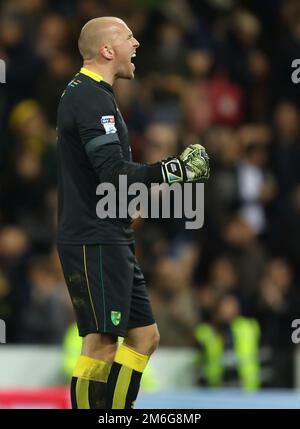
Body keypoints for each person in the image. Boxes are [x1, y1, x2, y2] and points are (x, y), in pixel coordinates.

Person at [56, 16, 210, 409]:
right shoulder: (89, 97)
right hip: (95, 237)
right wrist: (176, 170)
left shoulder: (91, 94)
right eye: (128, 37)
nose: (137, 43)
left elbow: (104, 177)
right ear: (107, 50)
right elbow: (112, 172)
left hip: (110, 233)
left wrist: (128, 204)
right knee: (102, 342)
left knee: (144, 337)